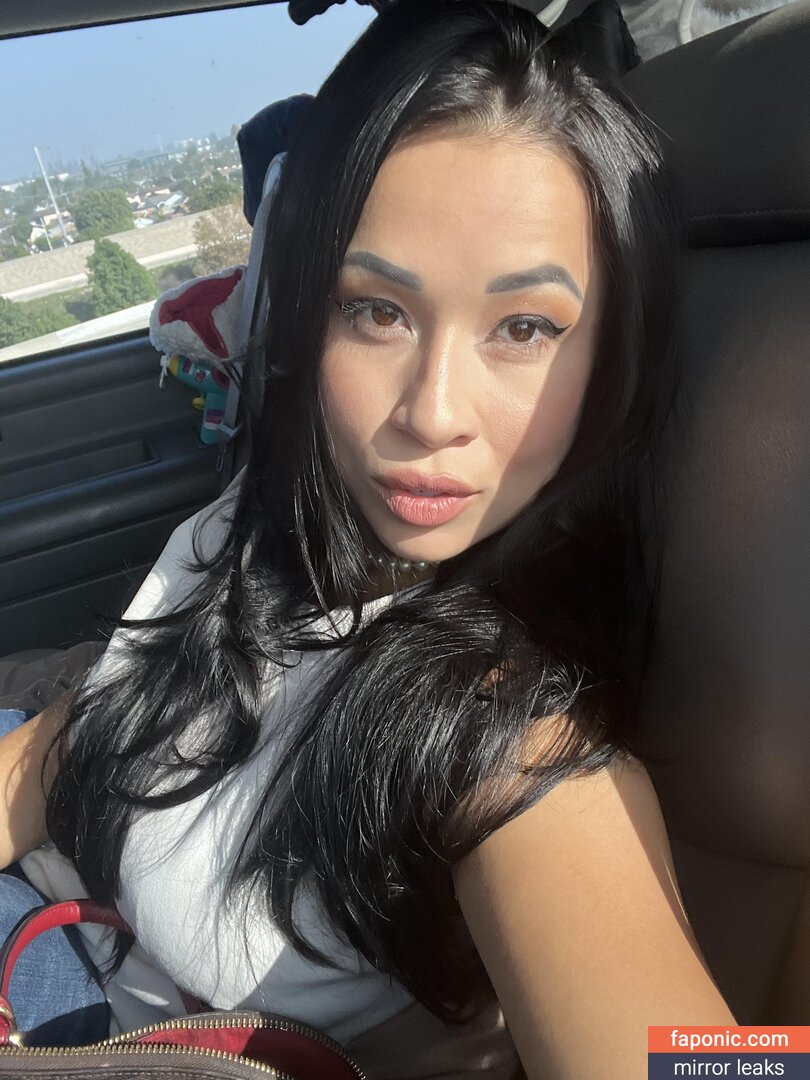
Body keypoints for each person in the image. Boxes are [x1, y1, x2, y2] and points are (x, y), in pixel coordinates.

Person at [0, 0, 738, 1075]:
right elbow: (64, 748)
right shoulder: (266, 526)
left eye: (524, 328)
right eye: (377, 311)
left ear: (612, 355)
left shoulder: (512, 748)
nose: (432, 413)